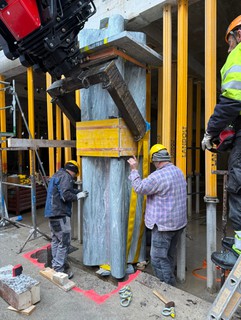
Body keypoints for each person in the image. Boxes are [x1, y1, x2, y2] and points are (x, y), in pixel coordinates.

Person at [202, 15, 241, 269]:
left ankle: (239, 249)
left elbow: (231, 101)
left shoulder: (238, 56)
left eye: (230, 41)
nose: (229, 48)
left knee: (237, 182)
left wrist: (210, 132)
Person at [127, 144, 187, 286]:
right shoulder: (178, 171)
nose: (153, 164)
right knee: (169, 255)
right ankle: (169, 279)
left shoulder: (157, 176)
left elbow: (139, 188)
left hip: (163, 226)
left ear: (157, 160)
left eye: (153, 162)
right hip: (178, 224)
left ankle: (167, 286)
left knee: (158, 258)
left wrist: (134, 169)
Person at [44, 160, 88, 278]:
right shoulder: (66, 177)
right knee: (64, 242)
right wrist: (78, 196)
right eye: (75, 174)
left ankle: (55, 264)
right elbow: (65, 195)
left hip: (52, 214)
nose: (74, 177)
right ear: (73, 171)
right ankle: (59, 270)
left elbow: (66, 190)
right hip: (60, 214)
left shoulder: (58, 175)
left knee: (56, 240)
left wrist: (78, 191)